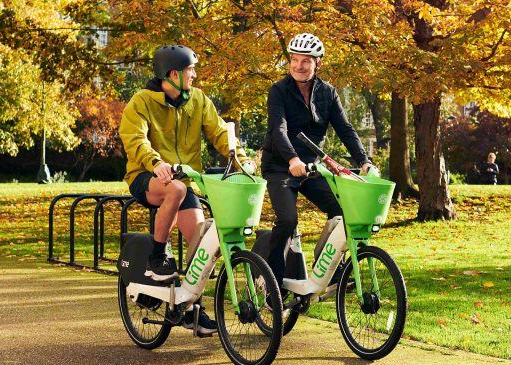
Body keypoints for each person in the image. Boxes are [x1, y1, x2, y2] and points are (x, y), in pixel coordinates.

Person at [119, 45, 254, 336]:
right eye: (190, 69)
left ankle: (190, 309)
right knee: (175, 189)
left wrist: (241, 161)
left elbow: (219, 132)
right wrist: (155, 163)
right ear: (173, 74)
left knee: (202, 245)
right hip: (146, 175)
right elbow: (135, 138)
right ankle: (157, 257)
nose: (194, 74)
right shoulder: (141, 102)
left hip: (185, 180)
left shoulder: (198, 101)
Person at [262, 33, 372, 286]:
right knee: (288, 220)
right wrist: (292, 160)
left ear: (318, 63)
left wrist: (364, 160)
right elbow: (278, 129)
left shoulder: (328, 93)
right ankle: (272, 281)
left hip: (313, 167)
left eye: (306, 61)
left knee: (344, 213)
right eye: (295, 59)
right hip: (280, 166)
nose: (299, 66)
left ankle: (329, 269)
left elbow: (345, 129)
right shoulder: (278, 91)